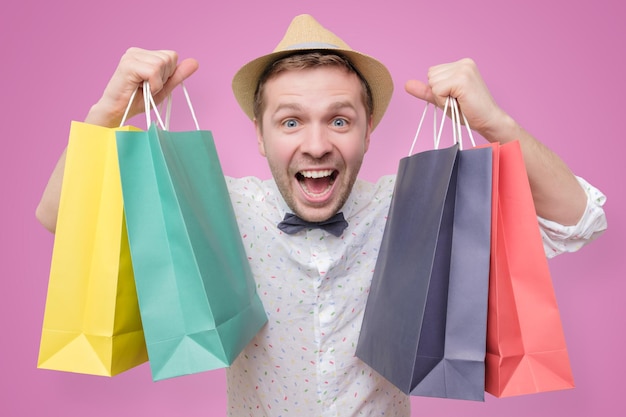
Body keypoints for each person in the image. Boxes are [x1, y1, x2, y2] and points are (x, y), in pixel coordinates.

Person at [36, 14, 606, 417]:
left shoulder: (415, 208)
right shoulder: (216, 209)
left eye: (339, 120)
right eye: (289, 122)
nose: (315, 145)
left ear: (366, 133)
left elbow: (579, 220)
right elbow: (62, 219)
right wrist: (107, 112)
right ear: (259, 139)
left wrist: (495, 124)